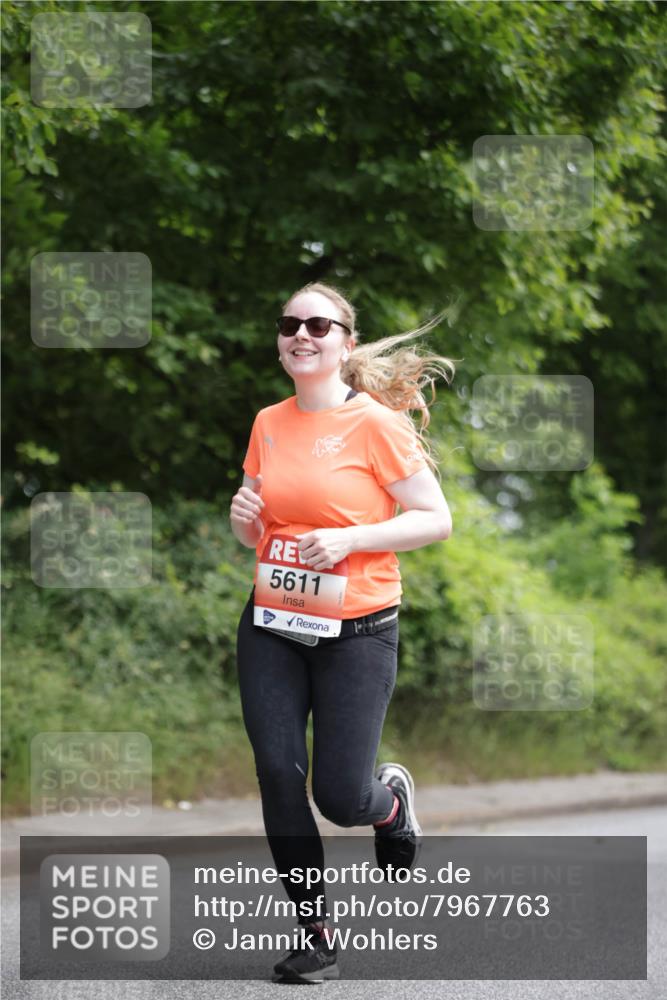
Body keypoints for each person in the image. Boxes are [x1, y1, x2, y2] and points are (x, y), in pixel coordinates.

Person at [230, 281, 455, 984]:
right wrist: (244, 522)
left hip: (358, 627)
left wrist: (351, 538)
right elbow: (261, 528)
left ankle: (386, 803)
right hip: (274, 620)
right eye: (289, 323)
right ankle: (316, 931)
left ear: (344, 343)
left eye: (318, 325)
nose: (301, 334)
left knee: (339, 798)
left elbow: (432, 518)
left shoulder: (375, 425)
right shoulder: (268, 421)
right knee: (276, 771)